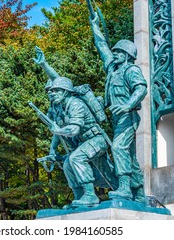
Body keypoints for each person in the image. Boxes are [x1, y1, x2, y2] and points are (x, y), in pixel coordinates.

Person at [90, 13, 148, 203]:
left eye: (118, 52)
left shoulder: (131, 70)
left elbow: (141, 88)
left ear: (126, 56)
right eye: (114, 52)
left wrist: (127, 105)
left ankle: (124, 188)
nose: (114, 54)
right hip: (117, 120)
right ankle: (139, 193)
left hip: (128, 117)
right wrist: (95, 27)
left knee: (118, 147)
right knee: (129, 156)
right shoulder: (113, 69)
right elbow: (102, 47)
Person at [40, 76, 117, 207]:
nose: (52, 94)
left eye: (56, 91)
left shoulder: (75, 104)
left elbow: (74, 129)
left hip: (96, 140)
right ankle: (80, 197)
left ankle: (90, 196)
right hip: (84, 143)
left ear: (65, 92)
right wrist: (53, 150)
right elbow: (59, 131)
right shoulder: (61, 108)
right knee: (68, 164)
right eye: (50, 91)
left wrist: (58, 130)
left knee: (76, 158)